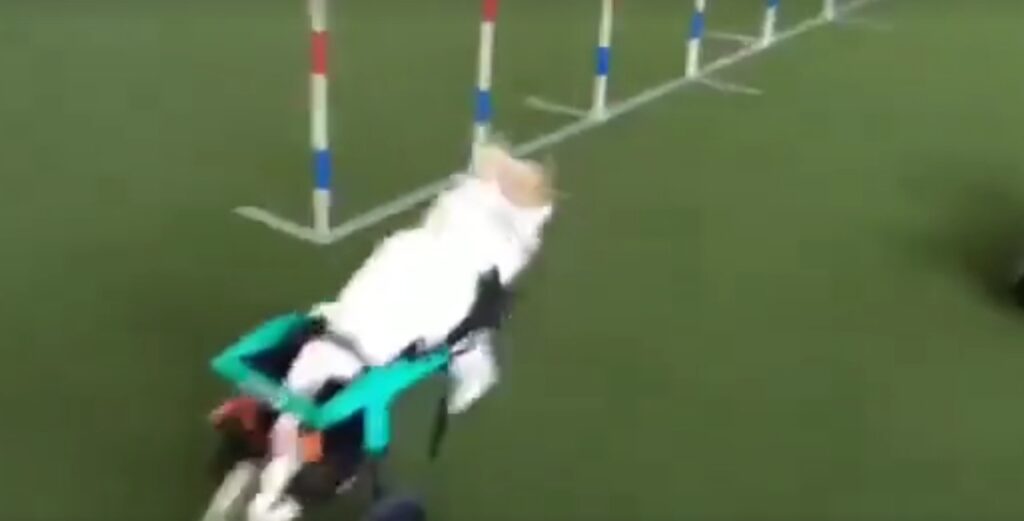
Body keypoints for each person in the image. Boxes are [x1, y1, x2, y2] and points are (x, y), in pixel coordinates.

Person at [210, 143, 557, 521]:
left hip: (386, 300)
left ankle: (269, 497)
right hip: (395, 308)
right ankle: (272, 501)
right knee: (451, 335)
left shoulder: (459, 225)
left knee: (300, 413)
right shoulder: (477, 237)